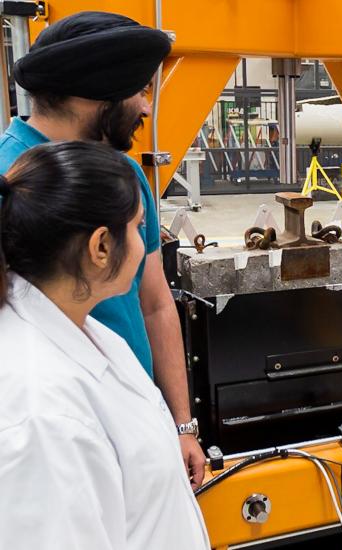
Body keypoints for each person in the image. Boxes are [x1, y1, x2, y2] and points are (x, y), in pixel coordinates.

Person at [0, 10, 205, 486]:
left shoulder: (124, 176)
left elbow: (153, 302)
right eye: (140, 91)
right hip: (58, 443)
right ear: (97, 94)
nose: (147, 109)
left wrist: (181, 424)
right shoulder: (9, 179)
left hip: (135, 419)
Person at [0, 141, 210, 549]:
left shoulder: (91, 333)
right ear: (100, 247)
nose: (145, 241)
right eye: (137, 227)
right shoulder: (41, 414)